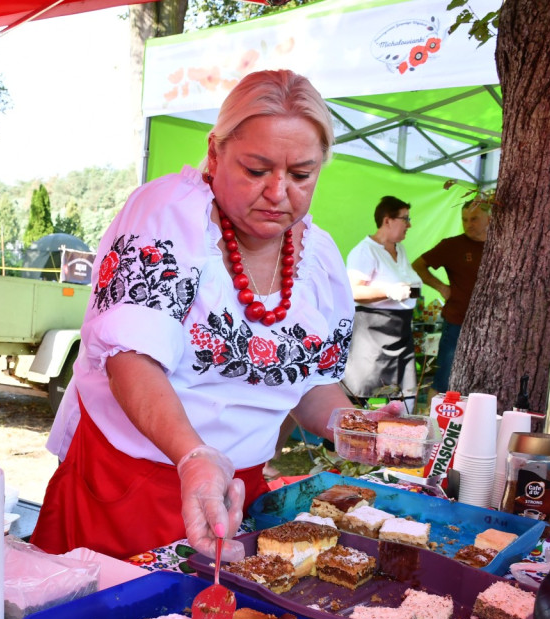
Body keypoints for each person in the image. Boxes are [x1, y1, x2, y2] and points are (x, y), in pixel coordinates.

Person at [32, 69, 358, 563]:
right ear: (214, 152)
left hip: (239, 492)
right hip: (131, 484)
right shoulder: (170, 213)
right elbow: (131, 360)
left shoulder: (320, 257)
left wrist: (359, 428)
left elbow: (308, 383)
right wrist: (194, 456)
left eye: (300, 175)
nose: (277, 192)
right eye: (256, 169)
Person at [342, 195, 422, 412]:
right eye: (405, 219)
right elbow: (353, 291)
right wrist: (389, 291)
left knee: (403, 395)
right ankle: (339, 442)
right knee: (363, 392)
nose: (409, 224)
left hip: (400, 331)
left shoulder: (400, 250)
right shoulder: (365, 250)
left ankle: (396, 440)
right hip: (373, 333)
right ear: (387, 220)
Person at [412, 199, 491, 394]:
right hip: (457, 321)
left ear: (489, 219)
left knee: (484, 382)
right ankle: (434, 421)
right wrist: (441, 287)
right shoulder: (453, 245)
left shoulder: (502, 246)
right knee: (443, 379)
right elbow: (418, 264)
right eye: (464, 219)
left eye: (474, 219)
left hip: (491, 326)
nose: (468, 224)